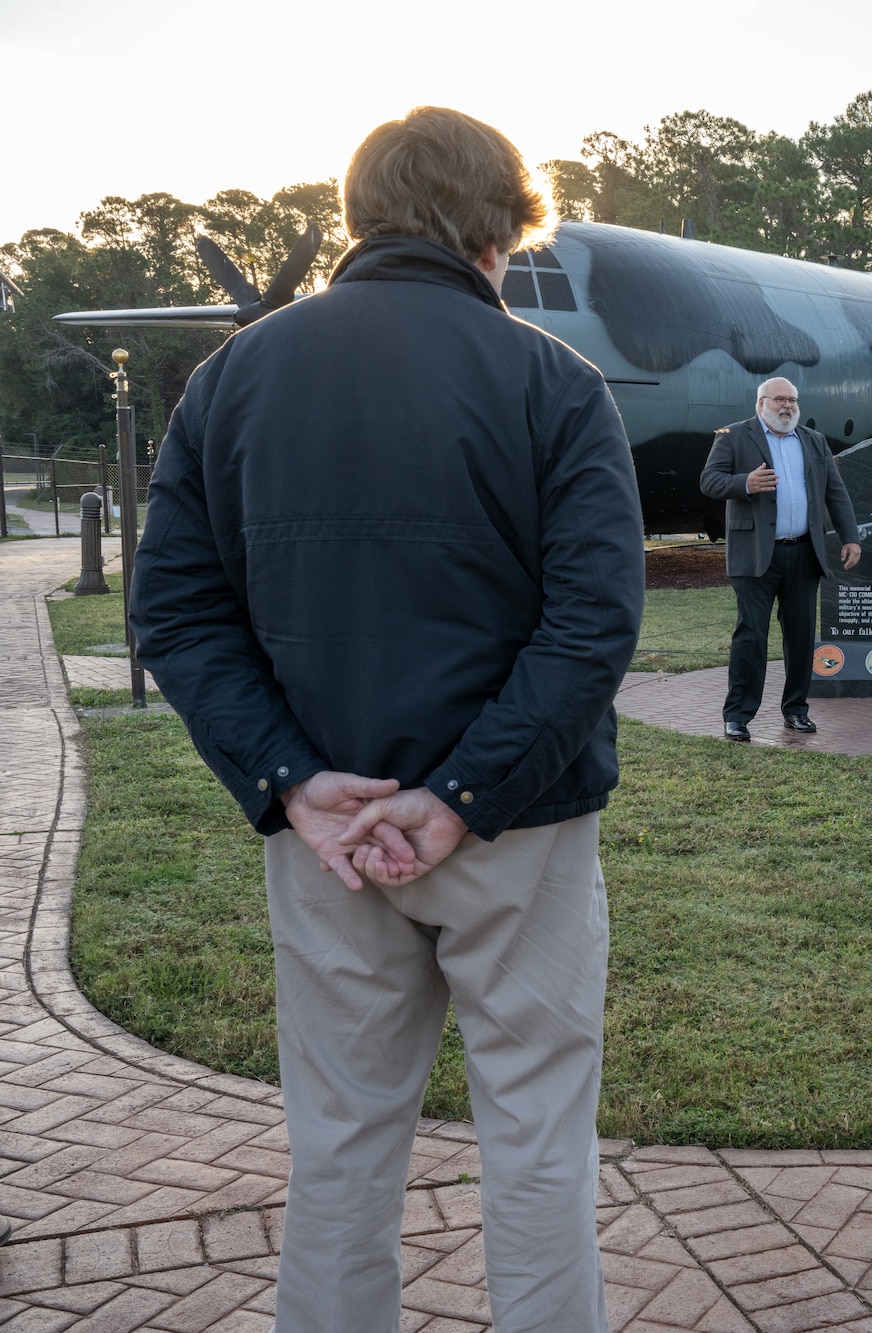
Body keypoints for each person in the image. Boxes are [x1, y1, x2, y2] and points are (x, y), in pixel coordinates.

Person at [128, 107, 643, 1331]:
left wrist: (295, 782)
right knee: (535, 1134)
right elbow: (591, 627)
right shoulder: (553, 382)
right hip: (514, 829)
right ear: (498, 228)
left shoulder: (233, 377)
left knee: (341, 1138)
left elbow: (176, 610)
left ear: (360, 218)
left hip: (332, 829)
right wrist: (460, 799)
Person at [700, 377, 861, 741]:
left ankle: (796, 710)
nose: (787, 406)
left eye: (792, 400)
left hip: (803, 553)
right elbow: (709, 480)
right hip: (756, 554)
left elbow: (836, 493)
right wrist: (744, 483)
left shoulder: (813, 440)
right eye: (779, 400)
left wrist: (850, 537)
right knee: (751, 636)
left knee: (802, 637)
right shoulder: (733, 436)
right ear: (761, 404)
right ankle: (738, 715)